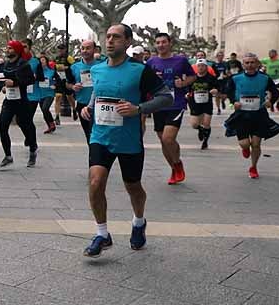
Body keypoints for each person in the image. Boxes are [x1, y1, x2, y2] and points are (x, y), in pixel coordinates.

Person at [80, 24, 173, 258]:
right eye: (108, 37)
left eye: (117, 37)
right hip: (100, 135)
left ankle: (139, 221)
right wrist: (88, 108)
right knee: (95, 182)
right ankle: (102, 234)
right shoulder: (98, 70)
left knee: (133, 187)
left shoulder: (139, 70)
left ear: (128, 42)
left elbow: (166, 97)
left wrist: (139, 108)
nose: (110, 41)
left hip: (129, 139)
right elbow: (98, 92)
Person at [222, 52, 279, 179]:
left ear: (258, 64)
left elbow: (275, 92)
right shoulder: (235, 78)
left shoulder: (265, 78)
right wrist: (234, 102)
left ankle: (253, 167)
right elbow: (229, 91)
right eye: (247, 63)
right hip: (242, 115)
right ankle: (244, 148)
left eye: (252, 62)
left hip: (259, 114)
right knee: (245, 144)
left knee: (256, 144)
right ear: (243, 65)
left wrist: (270, 102)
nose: (250, 65)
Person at [146, 32, 194, 185]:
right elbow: (145, 81)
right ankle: (174, 167)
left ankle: (177, 162)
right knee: (163, 141)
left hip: (176, 103)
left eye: (164, 42)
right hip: (159, 104)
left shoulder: (180, 60)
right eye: (158, 42)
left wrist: (184, 83)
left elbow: (192, 76)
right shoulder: (151, 62)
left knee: (168, 138)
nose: (161, 45)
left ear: (170, 43)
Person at [0, 40, 37, 168]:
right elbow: (1, 79)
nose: (7, 50)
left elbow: (31, 80)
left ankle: (33, 148)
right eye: (7, 48)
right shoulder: (6, 65)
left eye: (10, 48)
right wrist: (2, 87)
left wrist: (15, 83)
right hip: (9, 100)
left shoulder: (24, 65)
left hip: (22, 101)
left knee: (26, 126)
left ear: (17, 50)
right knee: (3, 126)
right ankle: (8, 156)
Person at [68, 39, 99, 143]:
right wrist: (73, 87)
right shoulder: (74, 67)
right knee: (89, 134)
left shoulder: (102, 66)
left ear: (95, 50)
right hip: (82, 105)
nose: (85, 51)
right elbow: (66, 84)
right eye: (83, 48)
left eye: (88, 48)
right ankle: (94, 156)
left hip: (99, 104)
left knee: (99, 133)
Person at [187, 59, 221, 150]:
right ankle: (200, 130)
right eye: (199, 66)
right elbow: (188, 88)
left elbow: (218, 87)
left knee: (206, 123)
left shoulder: (211, 78)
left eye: (203, 66)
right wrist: (187, 94)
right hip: (195, 103)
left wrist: (216, 90)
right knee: (194, 124)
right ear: (196, 67)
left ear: (206, 67)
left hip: (207, 103)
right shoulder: (193, 78)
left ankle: (205, 141)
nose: (201, 68)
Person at [36, 52, 57, 134]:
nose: (41, 62)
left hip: (49, 93)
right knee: (44, 111)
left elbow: (58, 80)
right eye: (40, 60)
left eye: (43, 60)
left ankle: (52, 124)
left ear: (46, 61)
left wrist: (55, 85)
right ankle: (50, 126)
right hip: (40, 93)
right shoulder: (38, 72)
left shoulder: (51, 71)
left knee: (45, 108)